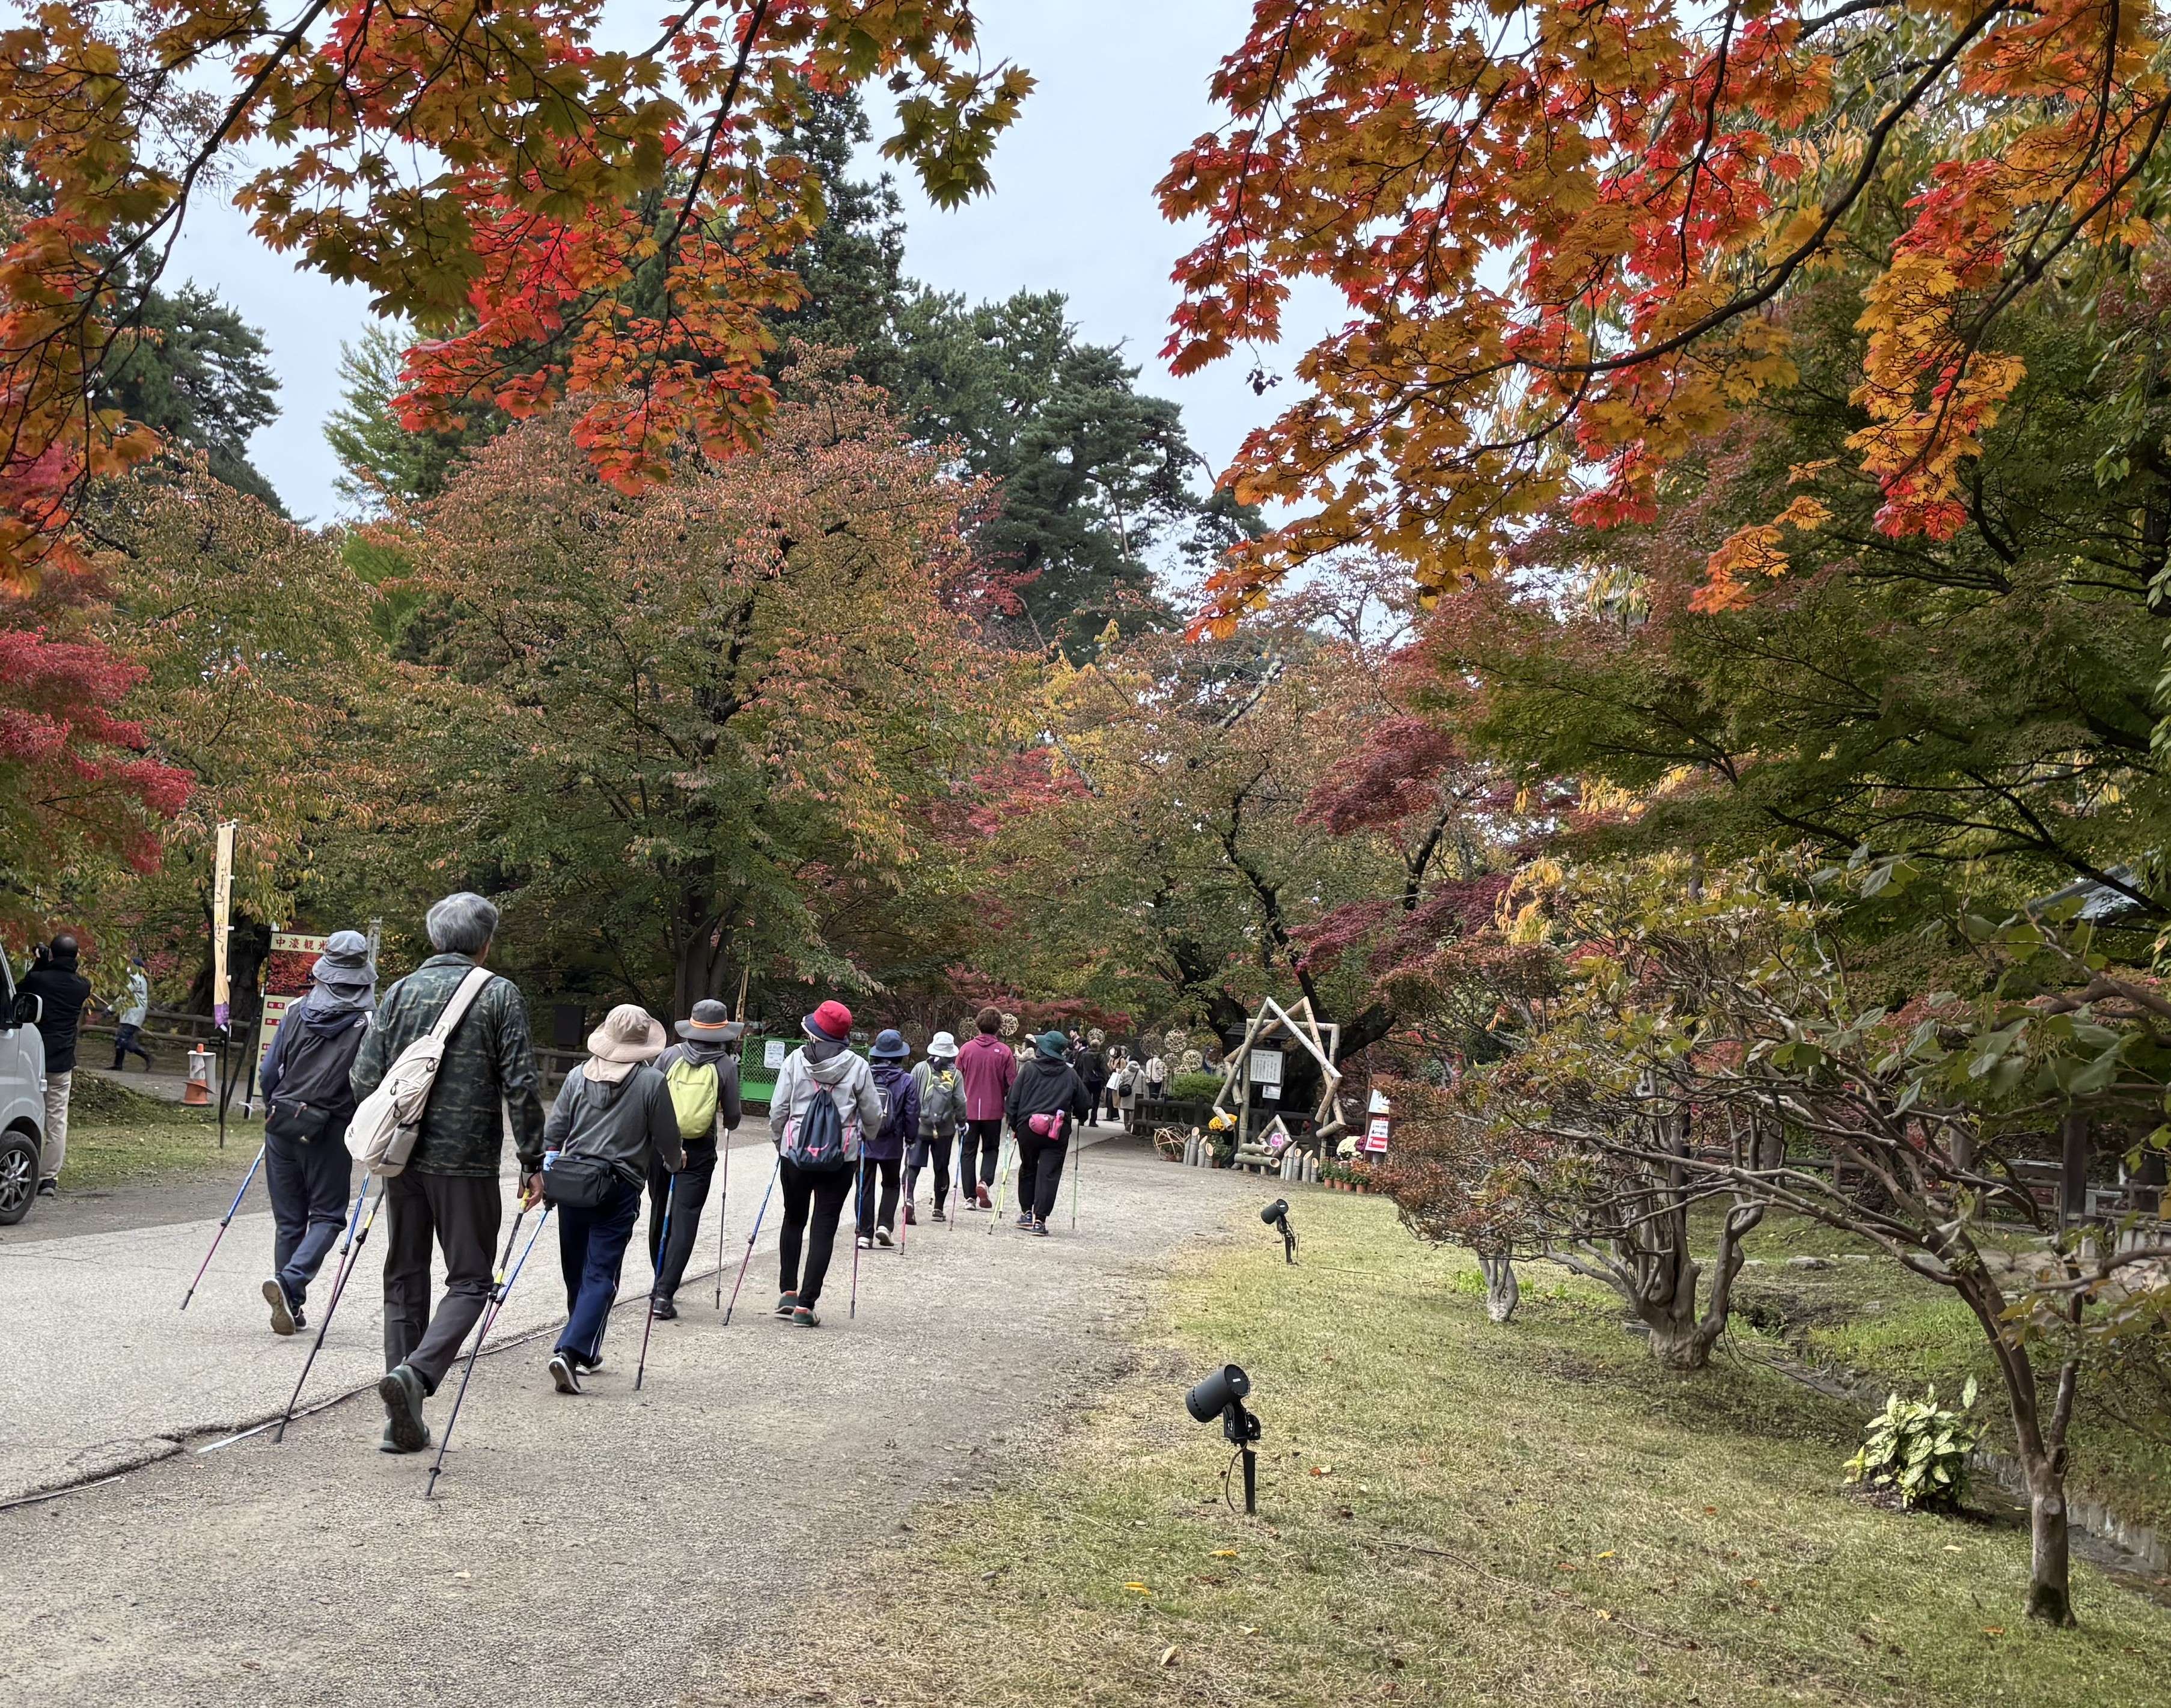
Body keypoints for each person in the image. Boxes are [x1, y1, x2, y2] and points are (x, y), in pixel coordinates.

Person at [352, 892, 546, 1455]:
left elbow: (364, 1078)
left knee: (404, 1275)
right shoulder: (499, 994)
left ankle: (398, 1417)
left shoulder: (398, 992)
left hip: (401, 1157)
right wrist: (532, 1160)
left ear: (435, 939)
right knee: (471, 1280)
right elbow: (522, 1085)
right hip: (466, 1163)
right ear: (486, 942)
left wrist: (396, 1123)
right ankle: (418, 1374)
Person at [543, 1005, 684, 1394]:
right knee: (600, 1274)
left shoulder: (576, 1076)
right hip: (619, 1187)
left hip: (573, 1183)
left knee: (577, 1270)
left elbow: (555, 1131)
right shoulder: (651, 1082)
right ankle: (571, 1351)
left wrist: (545, 1166)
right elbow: (667, 1139)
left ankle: (585, 1350)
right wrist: (676, 1162)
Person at [255, 930, 374, 1334]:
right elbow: (368, 1082)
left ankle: (291, 1302)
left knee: (290, 1221)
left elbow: (270, 1072)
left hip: (282, 1123)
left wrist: (277, 1107)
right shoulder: (367, 1023)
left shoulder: (294, 1010)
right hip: (330, 1127)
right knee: (327, 1216)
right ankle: (290, 1285)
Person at [768, 999, 882, 1326]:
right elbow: (872, 1113)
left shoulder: (794, 1062)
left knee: (793, 1218)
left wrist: (781, 1142)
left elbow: (779, 1110)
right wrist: (867, 1137)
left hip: (796, 1154)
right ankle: (806, 1305)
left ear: (815, 1033)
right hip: (840, 1156)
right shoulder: (858, 1066)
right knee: (824, 1226)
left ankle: (788, 1292)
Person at [646, 999, 743, 1319]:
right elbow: (732, 1117)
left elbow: (650, 1098)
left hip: (661, 1145)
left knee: (661, 1211)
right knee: (686, 1217)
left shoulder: (669, 1056)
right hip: (699, 1150)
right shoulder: (726, 1064)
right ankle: (665, 1294)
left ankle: (658, 1279)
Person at [19, 933, 91, 1198]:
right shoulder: (82, 986)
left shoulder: (40, 979)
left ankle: (23, 1165)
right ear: (76, 957)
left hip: (33, 1058)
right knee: (57, 1119)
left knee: (25, 1112)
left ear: (51, 954)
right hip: (62, 1061)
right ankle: (49, 1178)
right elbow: (67, 979)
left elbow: (24, 988)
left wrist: (40, 963)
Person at [1004, 1030, 1093, 1236]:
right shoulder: (1070, 1074)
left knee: (1028, 1168)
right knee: (1049, 1173)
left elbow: (1013, 1099)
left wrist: (1014, 1123)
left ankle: (1026, 1212)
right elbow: (1084, 1102)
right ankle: (1040, 1220)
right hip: (1056, 1130)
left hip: (1029, 1127)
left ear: (1043, 1049)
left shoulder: (1028, 1070)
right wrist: (1080, 1115)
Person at [858, 1029, 918, 1248]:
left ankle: (864, 1233)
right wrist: (911, 1138)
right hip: (892, 1141)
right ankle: (885, 1225)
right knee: (891, 1184)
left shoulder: (865, 1074)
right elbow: (912, 1113)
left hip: (865, 1140)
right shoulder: (906, 1081)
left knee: (865, 1186)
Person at [955, 1007, 1015, 1210]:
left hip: (968, 1108)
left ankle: (970, 1197)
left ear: (978, 1025)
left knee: (968, 1151)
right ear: (999, 1027)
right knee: (991, 1148)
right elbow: (1012, 1083)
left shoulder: (966, 1049)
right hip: (993, 1109)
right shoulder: (1005, 1052)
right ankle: (985, 1181)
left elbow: (956, 1079)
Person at [905, 1030, 962, 1222]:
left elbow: (909, 1095)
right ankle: (938, 1208)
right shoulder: (954, 1074)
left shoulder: (920, 1069)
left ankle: (909, 1199)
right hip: (944, 1130)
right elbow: (960, 1101)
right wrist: (962, 1122)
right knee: (941, 1167)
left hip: (920, 1127)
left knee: (913, 1166)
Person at [110, 957, 153, 1070]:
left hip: (133, 1013)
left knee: (123, 1040)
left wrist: (111, 1009)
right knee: (120, 1038)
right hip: (130, 1013)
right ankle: (118, 1064)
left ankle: (146, 1055)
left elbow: (125, 995)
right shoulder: (137, 978)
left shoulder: (136, 978)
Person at [1077, 1028, 1108, 1128]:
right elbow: (1104, 1069)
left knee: (1085, 1099)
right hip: (1097, 1081)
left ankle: (1082, 1119)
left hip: (1086, 1080)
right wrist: (1105, 1079)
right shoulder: (1101, 1056)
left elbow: (1079, 1067)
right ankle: (1093, 1120)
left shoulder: (1084, 1055)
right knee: (1096, 1101)